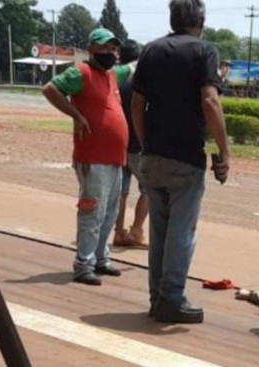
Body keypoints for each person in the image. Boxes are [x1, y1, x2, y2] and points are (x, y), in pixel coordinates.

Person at [131, 0, 229, 324]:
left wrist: (146, 145)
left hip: (153, 156)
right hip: (185, 158)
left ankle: (157, 297)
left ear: (172, 20)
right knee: (181, 232)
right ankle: (171, 298)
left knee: (159, 230)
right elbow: (210, 101)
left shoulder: (151, 50)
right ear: (200, 20)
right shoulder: (204, 51)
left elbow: (137, 103)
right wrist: (224, 152)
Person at [42, 28, 133, 286]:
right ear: (91, 48)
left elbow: (135, 66)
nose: (110, 53)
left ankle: (100, 258)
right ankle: (83, 263)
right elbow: (50, 89)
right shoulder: (81, 73)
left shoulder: (113, 74)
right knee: (92, 211)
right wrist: (76, 115)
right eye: (104, 48)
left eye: (113, 49)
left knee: (110, 212)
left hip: (115, 158)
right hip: (93, 157)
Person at [113, 39, 149, 248]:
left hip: (119, 142)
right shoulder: (140, 81)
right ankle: (136, 231)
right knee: (149, 190)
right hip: (137, 144)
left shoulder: (116, 80)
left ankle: (118, 232)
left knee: (122, 191)